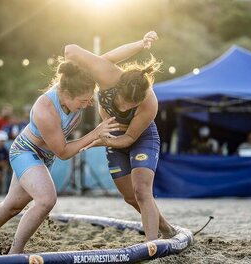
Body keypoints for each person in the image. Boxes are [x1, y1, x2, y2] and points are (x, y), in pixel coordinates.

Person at [0, 60, 119, 256]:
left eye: (88, 100)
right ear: (67, 94)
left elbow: (103, 61)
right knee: (46, 200)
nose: (87, 104)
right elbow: (64, 152)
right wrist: (95, 134)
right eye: (83, 101)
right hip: (26, 151)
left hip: (44, 156)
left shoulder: (77, 89)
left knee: (11, 206)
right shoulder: (46, 108)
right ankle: (15, 253)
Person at [65, 31, 177, 241]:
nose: (125, 107)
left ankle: (150, 244)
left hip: (141, 137)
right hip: (113, 133)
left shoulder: (150, 102)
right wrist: (140, 44)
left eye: (132, 105)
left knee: (142, 191)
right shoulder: (109, 75)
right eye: (124, 100)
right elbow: (71, 50)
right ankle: (166, 228)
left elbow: (129, 139)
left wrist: (100, 141)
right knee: (130, 197)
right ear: (119, 86)